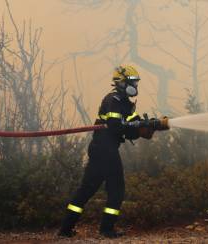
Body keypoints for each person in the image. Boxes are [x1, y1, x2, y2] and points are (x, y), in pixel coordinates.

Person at [59, 65, 157, 238]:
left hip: (101, 149)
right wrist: (135, 126)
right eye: (132, 82)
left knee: (86, 190)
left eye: (136, 82)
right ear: (122, 81)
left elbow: (131, 129)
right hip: (106, 150)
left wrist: (146, 127)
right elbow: (115, 125)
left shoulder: (125, 103)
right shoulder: (114, 100)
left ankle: (65, 229)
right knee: (117, 190)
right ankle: (106, 229)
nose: (135, 86)